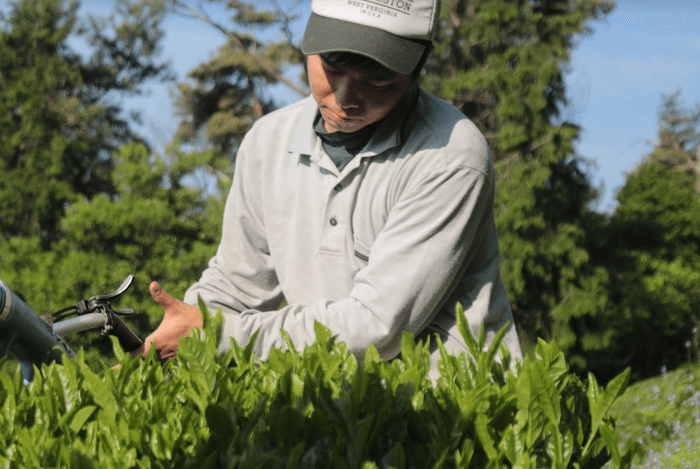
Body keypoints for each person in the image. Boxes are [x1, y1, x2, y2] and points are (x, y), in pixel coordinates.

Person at [136, 0, 522, 378]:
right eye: (331, 68)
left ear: (418, 68)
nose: (344, 98)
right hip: (337, 404)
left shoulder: (449, 156)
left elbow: (378, 327)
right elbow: (237, 287)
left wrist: (218, 337)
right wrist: (177, 346)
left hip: (452, 410)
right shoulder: (267, 142)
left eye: (377, 82)